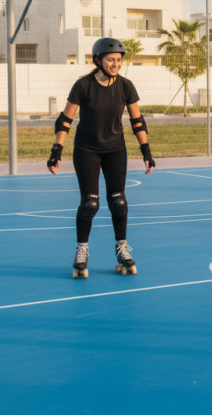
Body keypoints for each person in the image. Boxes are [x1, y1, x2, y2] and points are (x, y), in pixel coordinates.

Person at [46, 37, 156, 278]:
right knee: (90, 204)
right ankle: (81, 251)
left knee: (118, 202)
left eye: (118, 60)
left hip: (115, 148)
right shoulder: (83, 85)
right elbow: (65, 119)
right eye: (110, 60)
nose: (115, 64)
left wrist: (146, 151)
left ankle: (122, 249)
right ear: (98, 60)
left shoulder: (126, 86)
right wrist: (57, 150)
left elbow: (137, 121)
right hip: (86, 149)